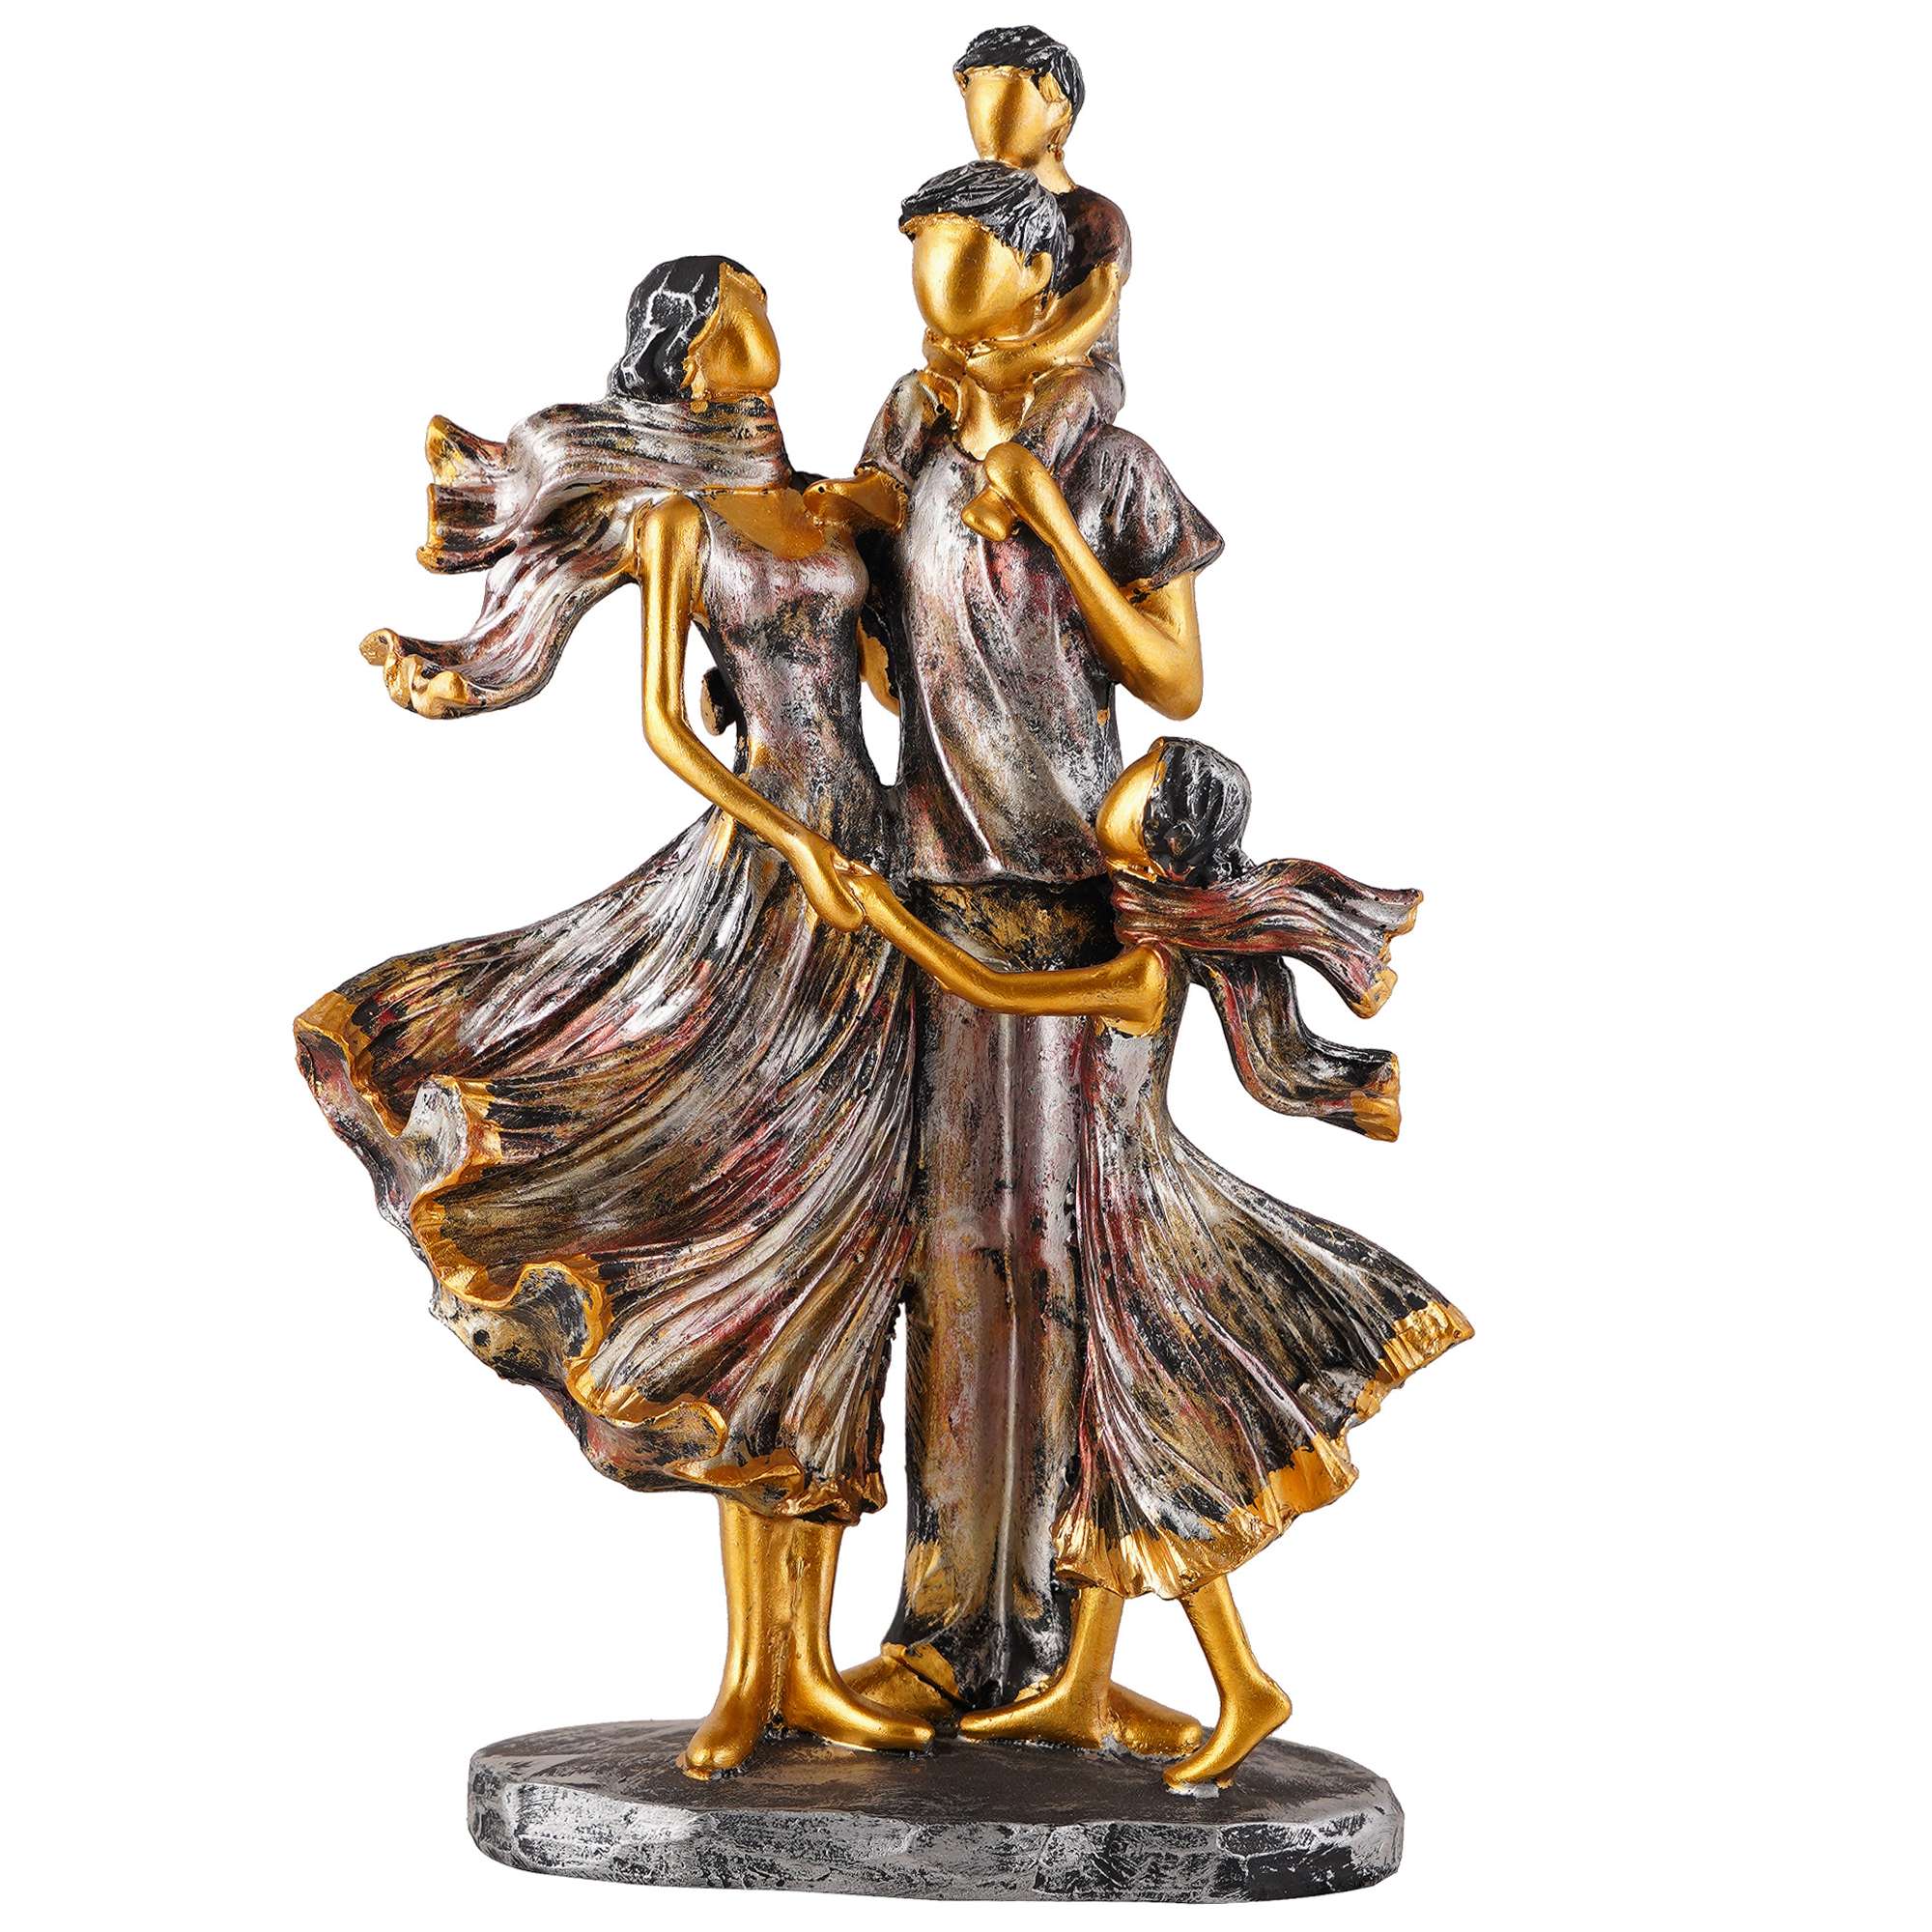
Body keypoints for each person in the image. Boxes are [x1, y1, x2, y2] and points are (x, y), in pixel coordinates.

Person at [296, 256, 931, 1778]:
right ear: (689, 355)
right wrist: (791, 844)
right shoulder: (675, 520)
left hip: (878, 860)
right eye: (735, 313)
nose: (765, 330)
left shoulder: (826, 507)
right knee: (752, 1228)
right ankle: (752, 1674)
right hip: (776, 872)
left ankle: (809, 1670)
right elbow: (666, 722)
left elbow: (897, 673)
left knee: (838, 1252)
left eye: (763, 304)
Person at [835, 737, 1472, 1785]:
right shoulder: (1141, 938)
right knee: (1102, 1461)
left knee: (1143, 1461)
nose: (1103, 831)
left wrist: (893, 919)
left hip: (1127, 1219)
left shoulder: (1142, 969)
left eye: (1123, 827)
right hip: (1103, 1211)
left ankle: (1243, 1684)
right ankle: (1080, 1687)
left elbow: (994, 989)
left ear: (1163, 856)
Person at [832, 159, 1225, 1749]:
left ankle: (1062, 1636)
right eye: (921, 248)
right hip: (931, 877)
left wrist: (1047, 516)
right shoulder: (910, 434)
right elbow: (865, 631)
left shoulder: (1114, 465)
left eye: (963, 248)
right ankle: (948, 1631)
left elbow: (1173, 678)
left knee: (1061, 1258)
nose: (935, 274)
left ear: (1035, 271)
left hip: (1076, 891)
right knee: (944, 1256)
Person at [934, 24, 1129, 473]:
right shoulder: (978, 208)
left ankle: (1022, 476)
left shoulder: (1096, 218)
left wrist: (1024, 360)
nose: (987, 132)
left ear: (1057, 108)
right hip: (985, 364)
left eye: (1005, 111)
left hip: (1074, 365)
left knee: (1071, 391)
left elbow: (1095, 310)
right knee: (918, 388)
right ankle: (882, 480)